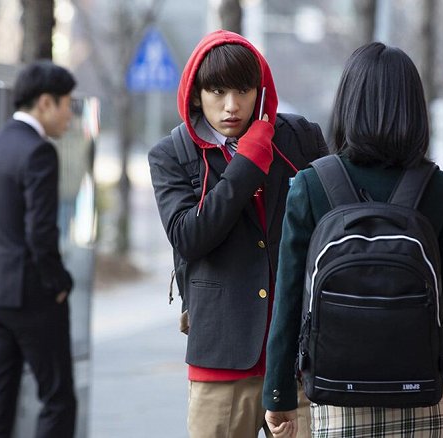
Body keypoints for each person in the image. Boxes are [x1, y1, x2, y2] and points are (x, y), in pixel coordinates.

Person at [263, 42, 443, 437]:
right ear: (416, 110)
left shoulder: (311, 185)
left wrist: (278, 396)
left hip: (335, 398)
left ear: (348, 103)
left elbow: (289, 298)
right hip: (425, 398)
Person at [148, 30, 327, 437]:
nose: (232, 106)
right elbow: (190, 237)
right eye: (217, 92)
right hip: (223, 357)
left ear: (259, 90)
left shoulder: (300, 138)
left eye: (244, 90)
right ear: (196, 95)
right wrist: (248, 160)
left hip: (302, 356)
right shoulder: (172, 154)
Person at [0, 60, 77, 437]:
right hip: (31, 295)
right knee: (58, 398)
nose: (70, 114)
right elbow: (41, 233)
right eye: (67, 104)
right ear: (45, 102)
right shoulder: (38, 152)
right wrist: (59, 282)